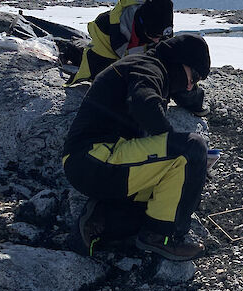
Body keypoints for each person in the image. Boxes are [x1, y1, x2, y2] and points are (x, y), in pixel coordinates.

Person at [63, 34, 213, 261]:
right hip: (95, 157)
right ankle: (163, 237)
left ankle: (101, 218)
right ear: (180, 61)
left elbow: (185, 95)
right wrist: (179, 149)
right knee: (192, 147)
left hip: (95, 164)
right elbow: (143, 102)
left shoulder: (150, 65)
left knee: (160, 197)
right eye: (194, 76)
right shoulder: (149, 67)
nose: (191, 84)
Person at [65, 0, 174, 86]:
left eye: (162, 35)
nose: (157, 40)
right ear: (141, 25)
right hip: (107, 51)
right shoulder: (106, 26)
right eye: (154, 35)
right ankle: (68, 47)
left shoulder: (161, 19)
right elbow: (104, 74)